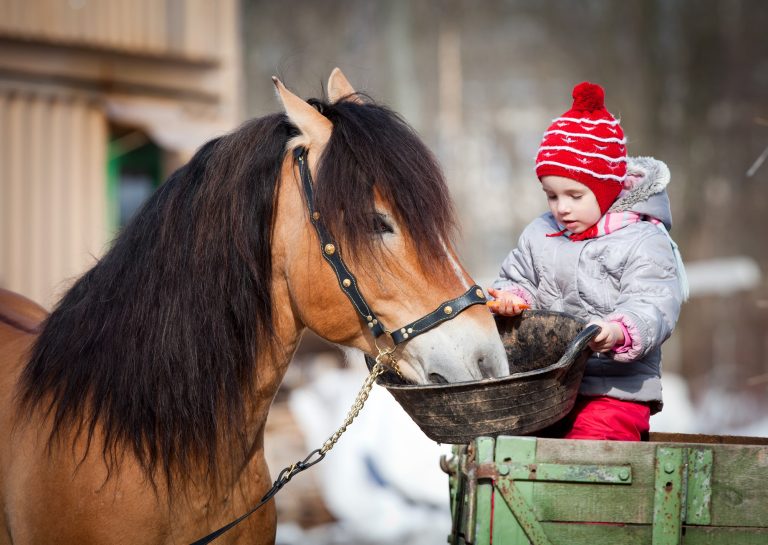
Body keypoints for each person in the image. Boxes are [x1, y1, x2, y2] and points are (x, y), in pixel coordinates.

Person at [488, 81, 688, 441]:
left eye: (575, 195)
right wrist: (511, 298)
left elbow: (653, 303)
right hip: (548, 388)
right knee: (512, 446)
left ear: (607, 190)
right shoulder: (540, 233)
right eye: (551, 195)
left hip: (615, 391)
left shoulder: (644, 240)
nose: (561, 207)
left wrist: (618, 331)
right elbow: (518, 277)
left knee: (588, 450)